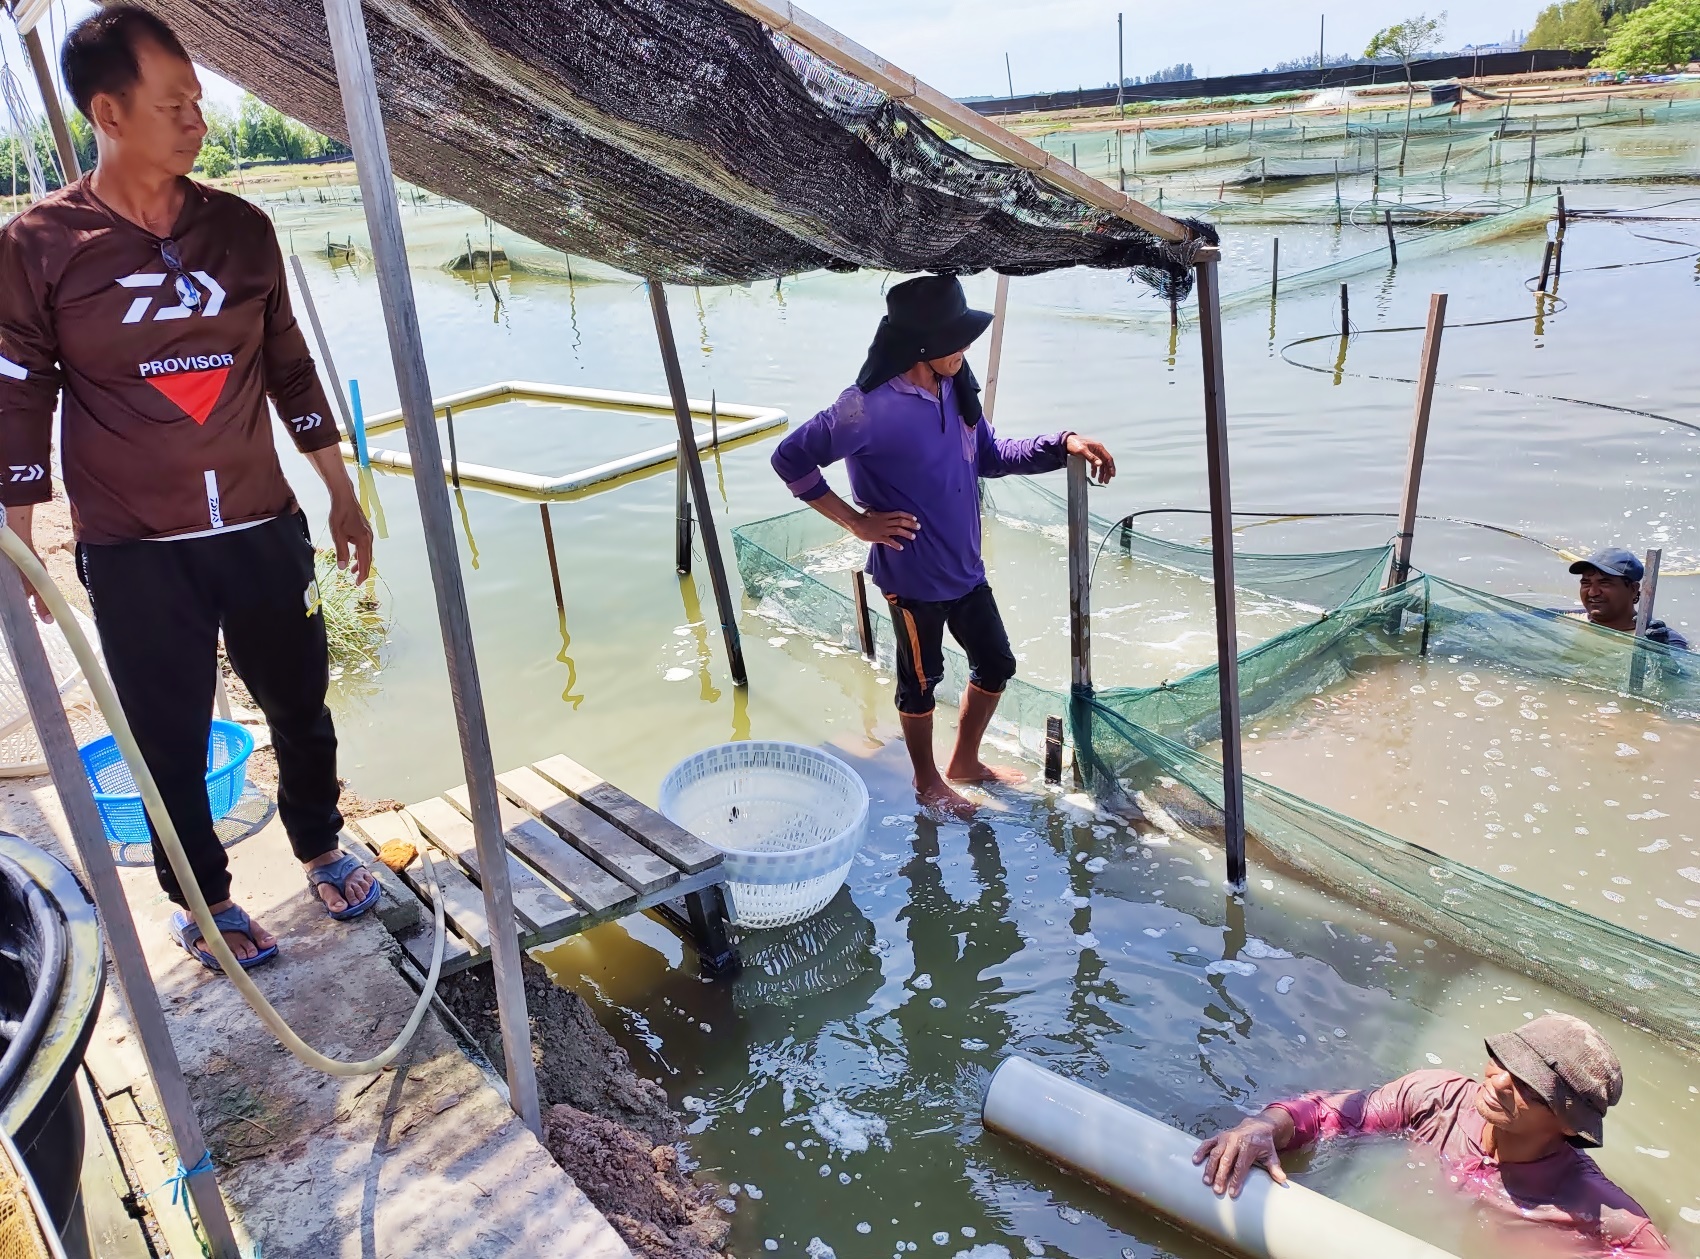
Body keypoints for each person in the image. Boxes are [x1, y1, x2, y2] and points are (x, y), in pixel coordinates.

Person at [0, 8, 377, 971]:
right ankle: (204, 899)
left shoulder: (242, 231)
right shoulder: (39, 246)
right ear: (109, 111)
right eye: (174, 104)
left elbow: (289, 367)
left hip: (261, 525)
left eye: (200, 101)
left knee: (302, 704)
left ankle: (321, 844)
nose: (198, 120)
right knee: (165, 737)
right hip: (134, 552)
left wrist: (336, 487)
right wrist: (21, 543)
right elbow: (19, 398)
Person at [770, 274, 1116, 819]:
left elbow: (993, 454)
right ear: (922, 346)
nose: (966, 348)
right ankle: (926, 781)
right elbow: (789, 458)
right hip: (911, 578)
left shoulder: (955, 387)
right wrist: (858, 524)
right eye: (957, 339)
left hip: (965, 567)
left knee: (997, 662)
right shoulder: (864, 408)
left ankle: (965, 763)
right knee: (921, 682)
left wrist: (1063, 443)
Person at [1192, 1013, 1670, 1255]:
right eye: (1503, 1062)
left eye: (1528, 1086)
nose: (1497, 1082)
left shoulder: (1606, 1218)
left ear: (1569, 1125)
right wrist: (1264, 1126)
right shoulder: (1433, 1098)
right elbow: (1328, 1115)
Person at [1569, 548, 1688, 649]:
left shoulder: (1664, 641)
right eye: (1586, 583)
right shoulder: (1565, 619)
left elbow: (1680, 674)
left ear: (1633, 589)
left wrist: (1661, 655)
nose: (1593, 592)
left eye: (1605, 583)